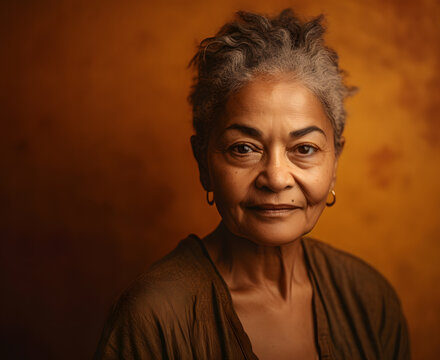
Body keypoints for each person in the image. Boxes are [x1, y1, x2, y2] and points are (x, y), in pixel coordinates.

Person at [94, 9, 410, 360]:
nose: (275, 178)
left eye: (304, 149)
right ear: (203, 162)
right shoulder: (154, 318)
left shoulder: (369, 300)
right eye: (244, 148)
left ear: (334, 161)